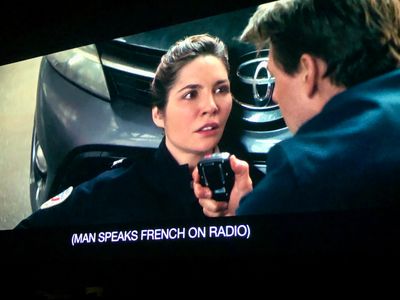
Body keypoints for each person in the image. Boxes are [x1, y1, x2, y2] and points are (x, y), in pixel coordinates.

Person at [15, 33, 263, 229]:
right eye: (190, 94)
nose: (211, 106)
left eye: (221, 89)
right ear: (158, 114)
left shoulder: (255, 184)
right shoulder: (113, 192)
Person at [193, 0, 400, 217]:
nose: (273, 95)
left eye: (275, 77)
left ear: (308, 72)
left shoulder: (303, 172)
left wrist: (244, 216)